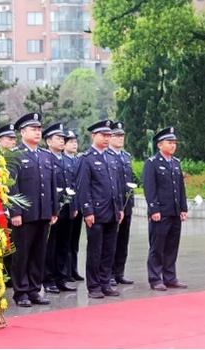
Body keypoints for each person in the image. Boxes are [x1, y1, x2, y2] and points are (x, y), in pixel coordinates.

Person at [9, 113, 59, 307]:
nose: (37, 132)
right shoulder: (15, 155)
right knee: (22, 254)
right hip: (25, 215)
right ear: (22, 132)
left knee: (39, 253)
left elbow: (51, 184)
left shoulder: (45, 155)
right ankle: (21, 291)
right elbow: (12, 186)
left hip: (43, 212)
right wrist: (15, 212)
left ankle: (34, 289)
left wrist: (54, 209)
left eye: (39, 129)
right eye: (33, 129)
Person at [76, 120, 123, 298]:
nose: (106, 138)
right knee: (95, 250)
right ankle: (94, 286)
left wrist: (119, 208)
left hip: (112, 211)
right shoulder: (86, 159)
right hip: (96, 212)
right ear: (94, 136)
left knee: (109, 250)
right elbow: (83, 187)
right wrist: (87, 211)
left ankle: (105, 282)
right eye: (103, 135)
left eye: (108, 135)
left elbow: (116, 185)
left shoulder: (111, 158)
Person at [142, 126, 188, 291]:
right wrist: (154, 210)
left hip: (174, 212)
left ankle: (170, 277)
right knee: (157, 247)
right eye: (170, 142)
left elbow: (180, 187)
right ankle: (155, 278)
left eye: (174, 143)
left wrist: (183, 208)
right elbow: (149, 188)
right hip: (160, 213)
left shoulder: (175, 163)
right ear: (160, 145)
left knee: (171, 247)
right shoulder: (152, 163)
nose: (173, 146)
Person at [43, 122, 78, 293]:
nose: (62, 141)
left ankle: (61, 277)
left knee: (64, 244)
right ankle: (48, 279)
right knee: (51, 245)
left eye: (63, 138)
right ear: (48, 141)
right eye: (58, 138)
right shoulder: (45, 158)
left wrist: (75, 206)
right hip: (52, 210)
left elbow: (73, 185)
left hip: (67, 208)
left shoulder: (67, 160)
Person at [108, 122, 134, 286]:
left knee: (123, 241)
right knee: (112, 241)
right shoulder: (107, 156)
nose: (120, 138)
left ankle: (119, 272)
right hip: (113, 205)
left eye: (121, 136)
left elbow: (129, 181)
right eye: (116, 135)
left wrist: (130, 203)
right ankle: (109, 273)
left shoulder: (126, 156)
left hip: (126, 205)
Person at [0, 123, 17, 288]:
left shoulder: (17, 158)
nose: (13, 142)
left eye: (14, 138)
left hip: (14, 207)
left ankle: (10, 275)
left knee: (12, 242)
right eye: (10, 139)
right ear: (0, 141)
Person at [64, 130, 84, 282]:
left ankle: (74, 269)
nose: (74, 144)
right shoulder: (62, 160)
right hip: (66, 206)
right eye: (71, 142)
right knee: (66, 240)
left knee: (74, 241)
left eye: (75, 142)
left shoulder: (78, 160)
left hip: (77, 205)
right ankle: (66, 271)